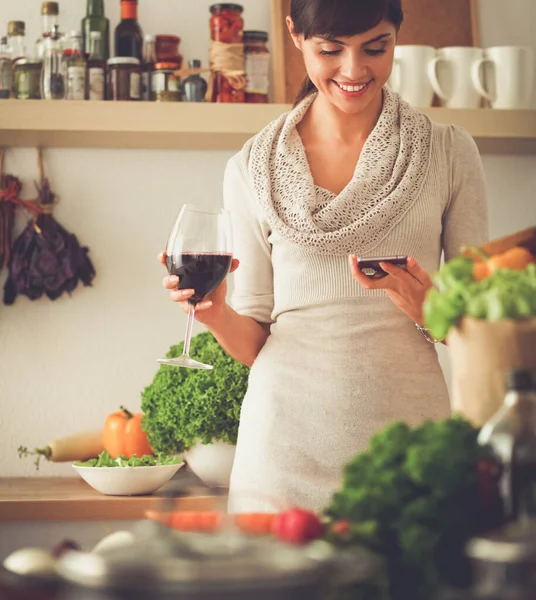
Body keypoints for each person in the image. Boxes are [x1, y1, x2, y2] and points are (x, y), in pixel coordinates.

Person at [161, 0, 488, 513]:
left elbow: (484, 333)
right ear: (295, 35)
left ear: (397, 34)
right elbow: (256, 341)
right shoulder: (252, 168)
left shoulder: (449, 153)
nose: (354, 70)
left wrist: (433, 311)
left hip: (410, 452)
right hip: (281, 456)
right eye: (331, 50)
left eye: (375, 47)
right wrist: (215, 313)